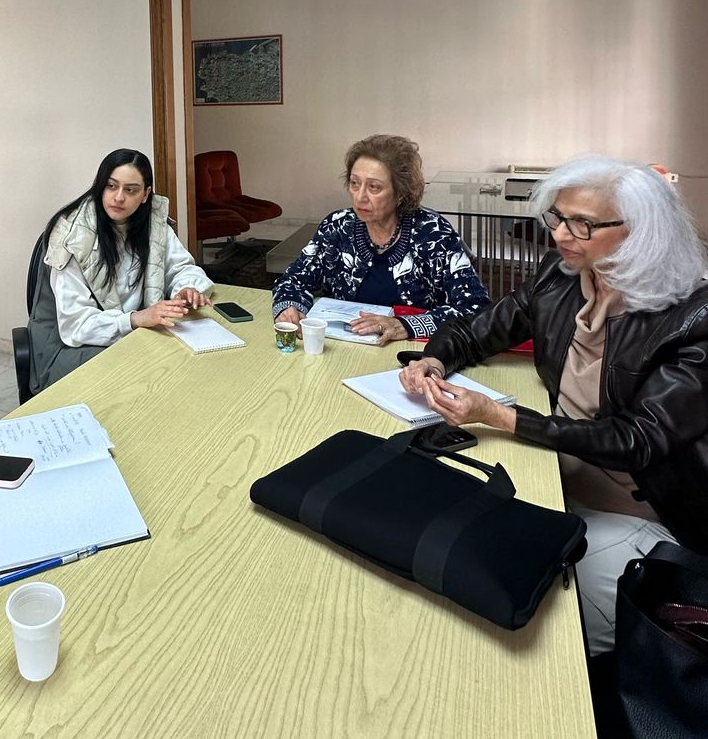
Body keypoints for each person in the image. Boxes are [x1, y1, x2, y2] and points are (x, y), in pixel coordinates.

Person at [400, 156, 708, 654]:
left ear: (640, 232)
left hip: (636, 510)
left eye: (582, 224)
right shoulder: (561, 275)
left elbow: (637, 439)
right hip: (553, 472)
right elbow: (482, 329)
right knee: (436, 528)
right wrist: (432, 360)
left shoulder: (694, 317)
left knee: (536, 619)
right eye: (558, 217)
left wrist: (500, 416)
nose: (560, 234)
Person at [271, 134, 489, 343]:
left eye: (374, 187)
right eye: (354, 183)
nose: (360, 196)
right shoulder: (338, 226)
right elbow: (293, 281)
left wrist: (405, 325)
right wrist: (289, 307)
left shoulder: (433, 233)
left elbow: (476, 308)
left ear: (401, 193)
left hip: (413, 352)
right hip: (342, 347)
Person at [27, 148, 213, 393]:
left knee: (181, 365)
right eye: (111, 186)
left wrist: (186, 288)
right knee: (151, 376)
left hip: (131, 335)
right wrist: (135, 319)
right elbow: (76, 324)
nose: (118, 197)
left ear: (145, 195)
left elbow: (181, 268)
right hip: (68, 347)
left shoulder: (153, 224)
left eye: (130, 190)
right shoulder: (72, 236)